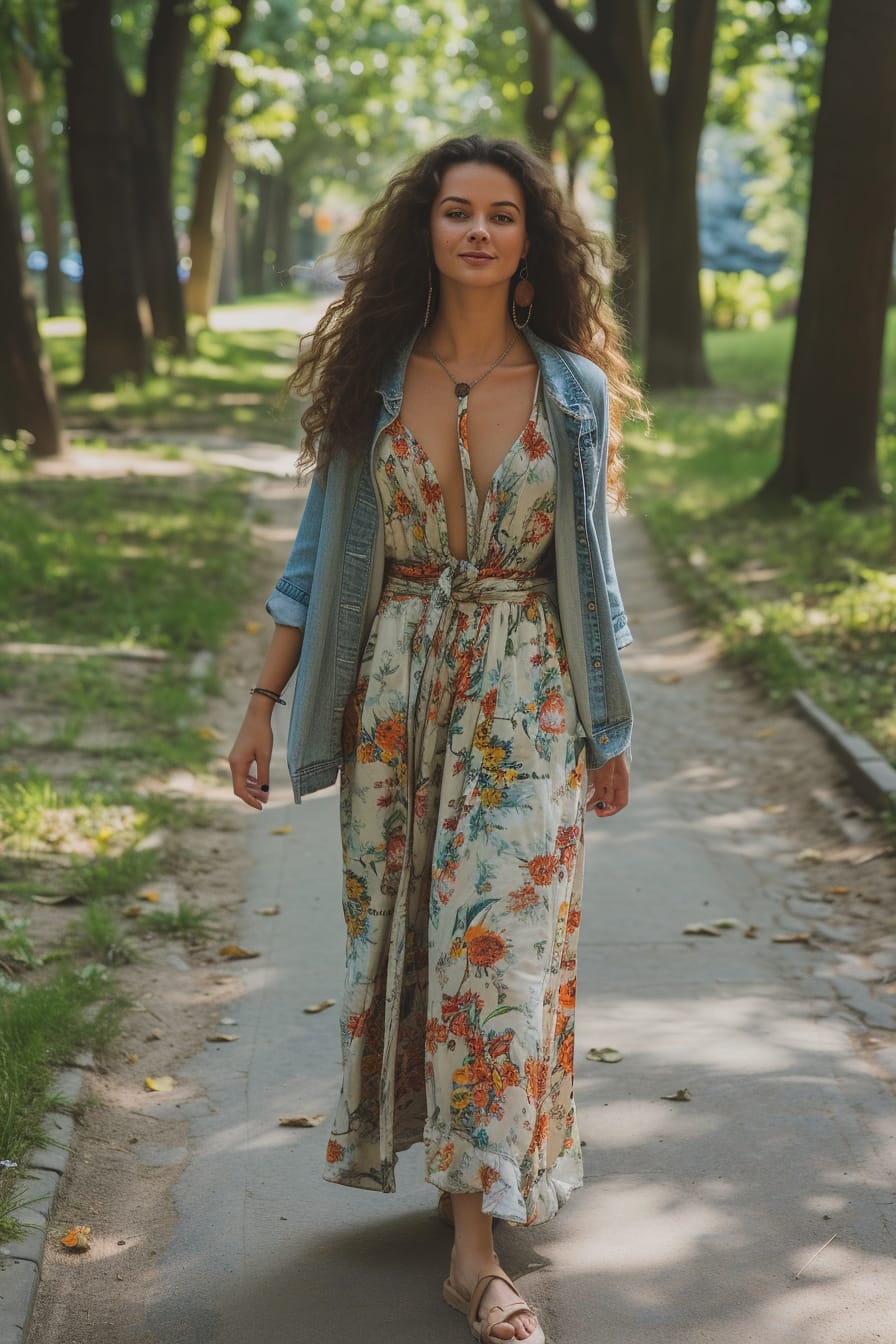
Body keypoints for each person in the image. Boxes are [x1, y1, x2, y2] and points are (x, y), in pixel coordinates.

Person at [228, 134, 643, 1344]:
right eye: (455, 211)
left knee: (493, 951)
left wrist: (608, 727)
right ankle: (460, 1172)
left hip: (527, 692)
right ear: (425, 231)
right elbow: (314, 563)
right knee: (411, 936)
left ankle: (476, 1246)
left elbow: (593, 574)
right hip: (397, 692)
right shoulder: (371, 381)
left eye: (500, 214)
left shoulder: (572, 390)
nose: (475, 230)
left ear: (528, 242)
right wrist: (263, 704)